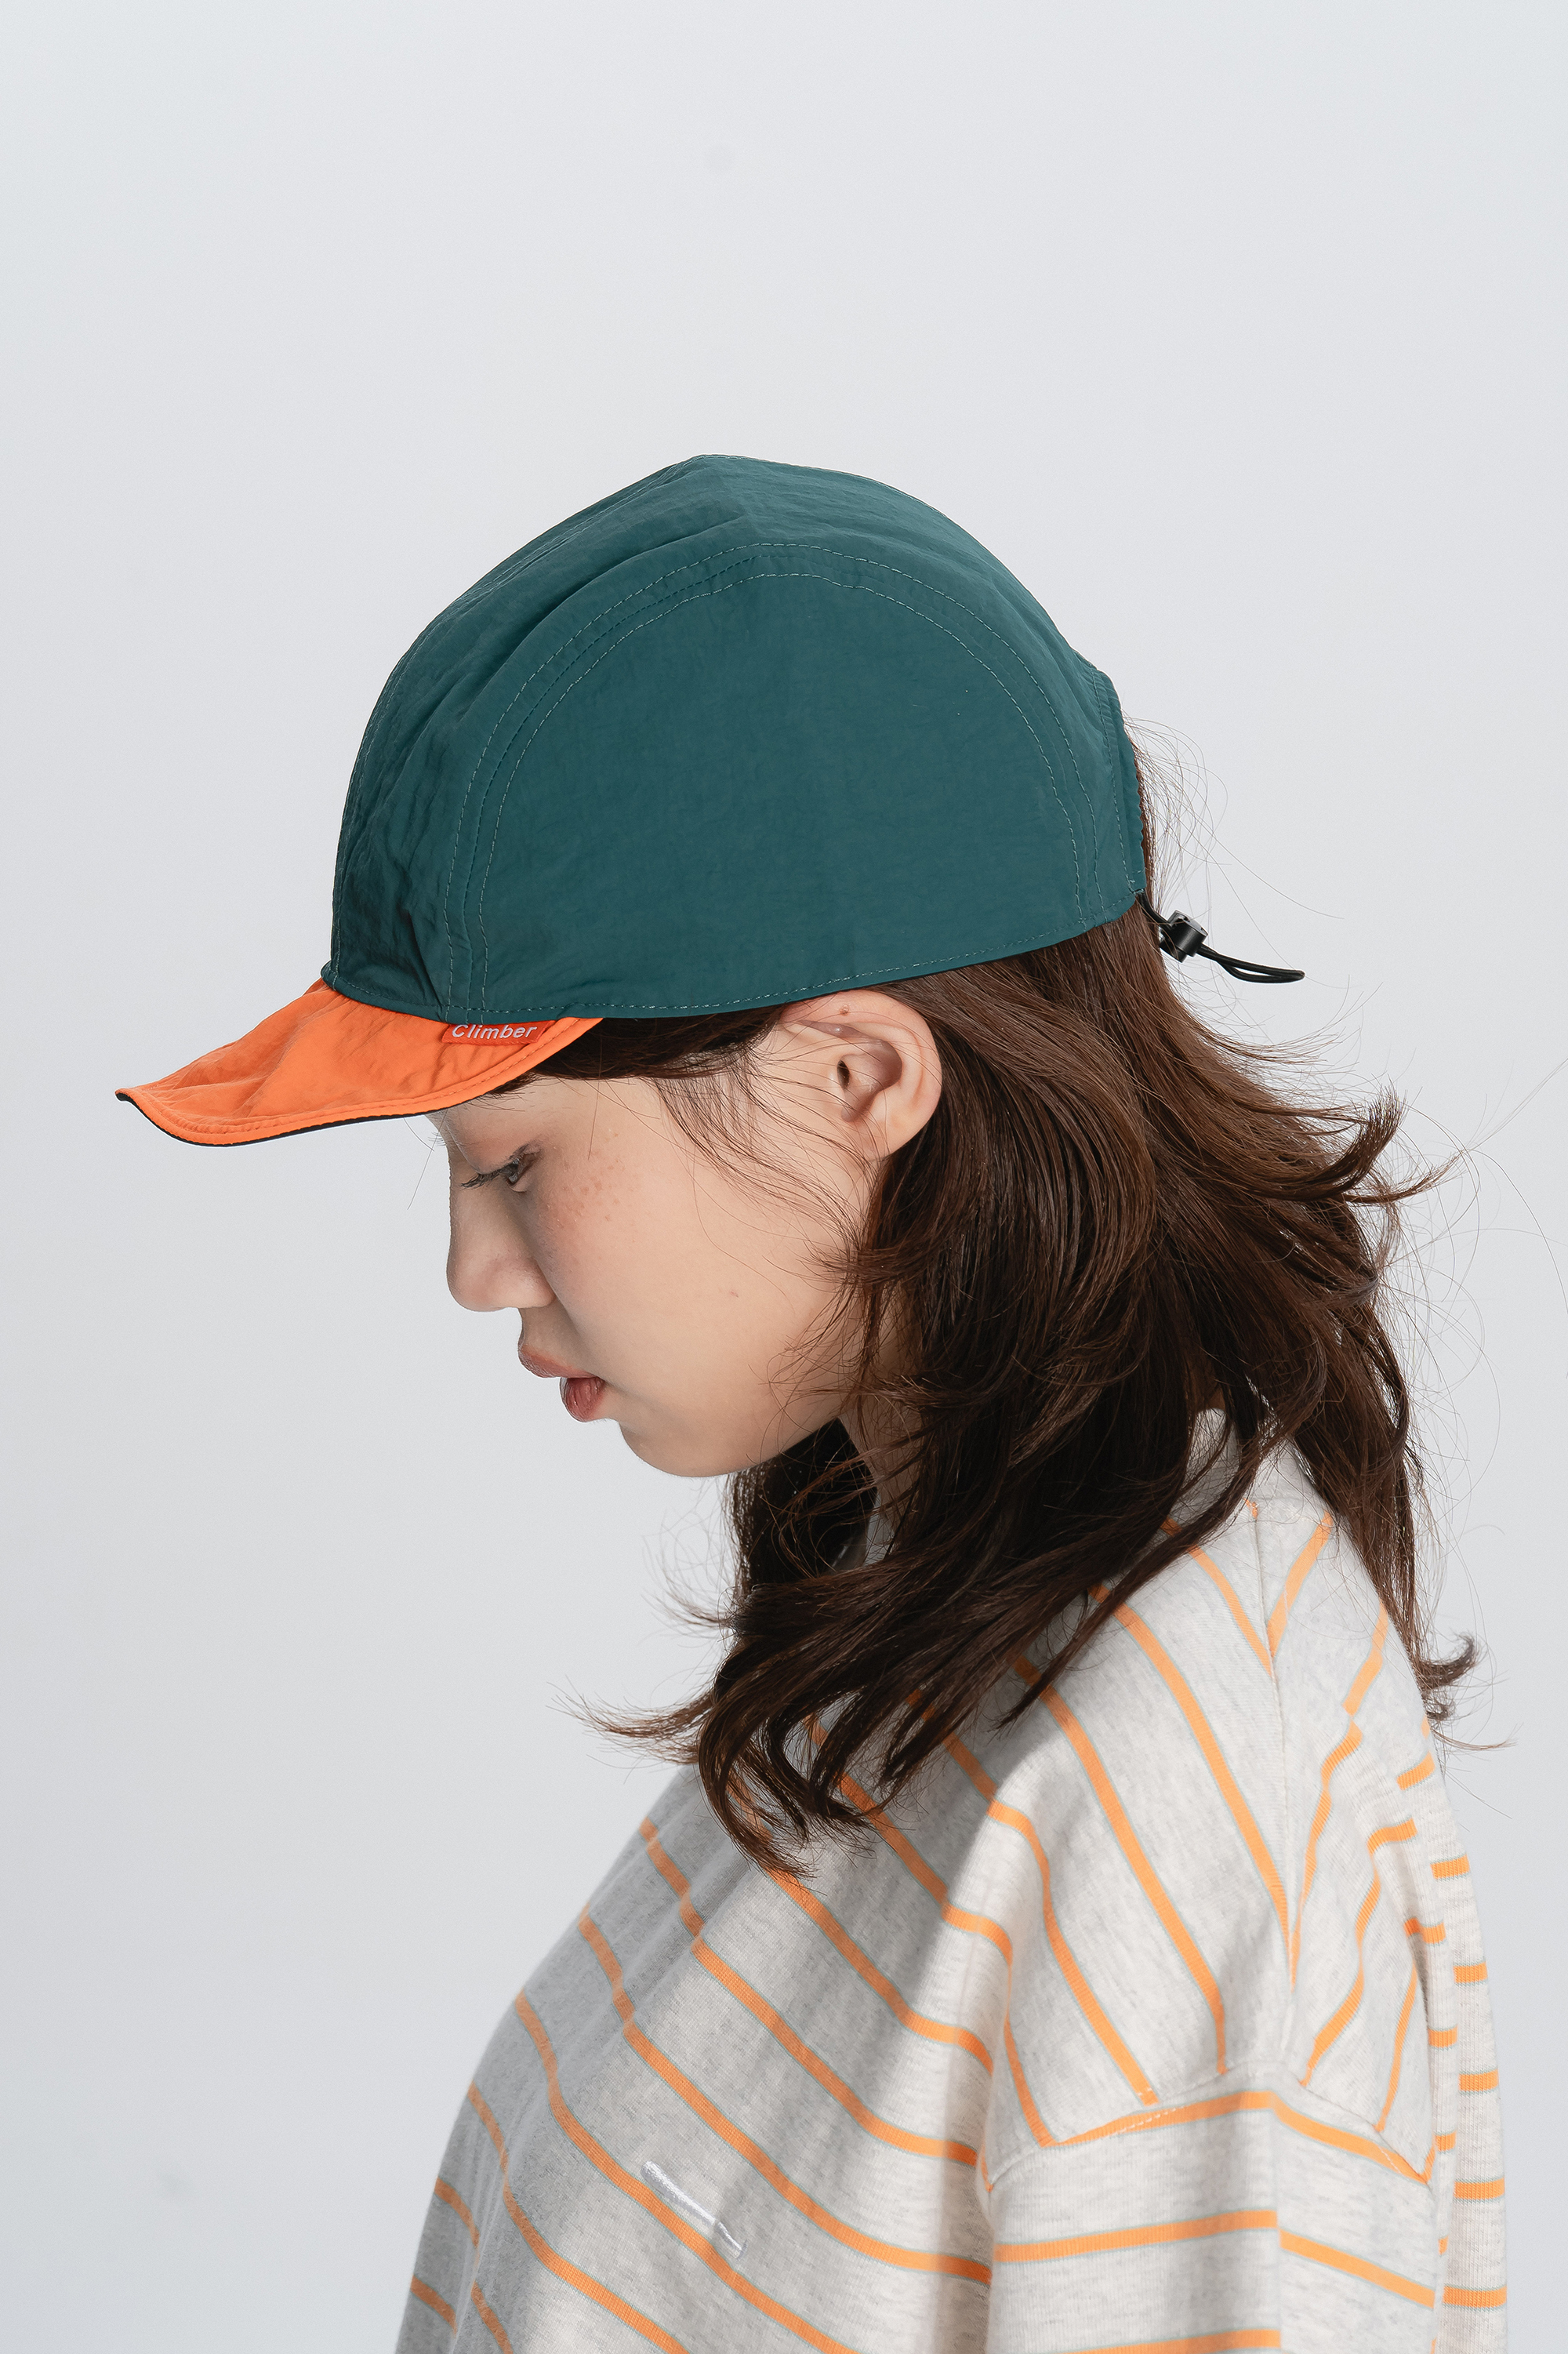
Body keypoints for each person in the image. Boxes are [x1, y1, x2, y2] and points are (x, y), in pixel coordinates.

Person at [120, 456, 1505, 2351]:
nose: (472, 1270)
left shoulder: (1182, 1798)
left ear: (857, 1077)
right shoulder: (938, 1593)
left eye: (513, 1161)